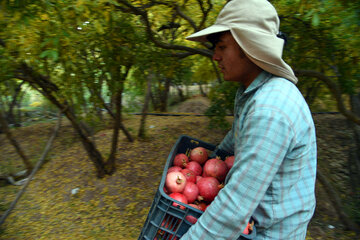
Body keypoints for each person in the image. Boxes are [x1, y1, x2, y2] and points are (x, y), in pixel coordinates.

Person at [180, 0, 317, 239]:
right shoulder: (253, 92)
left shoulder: (271, 109)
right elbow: (237, 136)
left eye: (222, 47)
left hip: (269, 233)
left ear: (249, 45)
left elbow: (234, 208)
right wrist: (211, 162)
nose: (215, 57)